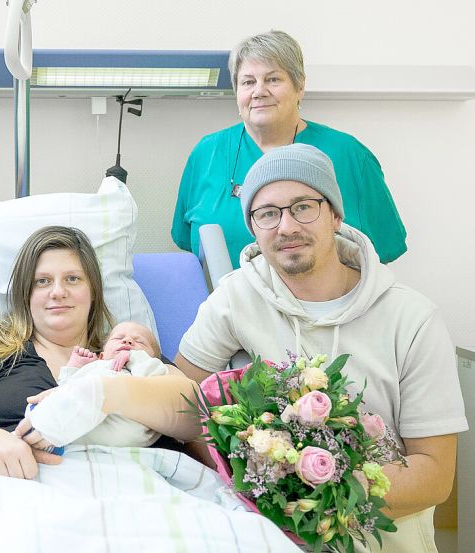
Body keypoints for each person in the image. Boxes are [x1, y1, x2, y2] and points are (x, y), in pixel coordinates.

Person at [174, 144, 467, 553]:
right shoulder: (237, 297)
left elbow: (435, 475)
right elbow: (181, 399)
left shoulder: (412, 319)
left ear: (334, 215)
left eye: (303, 207)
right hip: (267, 534)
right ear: (254, 228)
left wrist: (320, 497)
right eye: (268, 214)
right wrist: (246, 481)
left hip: (386, 535)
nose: (286, 226)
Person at [0, 226, 199, 478]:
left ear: (93, 292)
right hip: (14, 492)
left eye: (73, 279)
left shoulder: (127, 347)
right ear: (25, 293)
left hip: (134, 490)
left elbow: (197, 416)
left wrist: (104, 392)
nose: (58, 292)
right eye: (42, 281)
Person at [171, 30, 406, 268]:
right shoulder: (207, 154)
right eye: (248, 82)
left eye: (273, 79)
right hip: (228, 303)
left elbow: (380, 254)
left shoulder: (349, 155)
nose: (259, 91)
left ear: (299, 86)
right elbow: (188, 245)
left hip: (325, 304)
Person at [46, 321, 169, 448]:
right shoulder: (96, 367)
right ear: (102, 356)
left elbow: (155, 388)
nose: (127, 341)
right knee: (45, 406)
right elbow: (65, 391)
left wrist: (133, 357)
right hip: (84, 422)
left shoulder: (150, 366)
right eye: (118, 338)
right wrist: (73, 369)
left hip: (123, 424)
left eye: (140, 341)